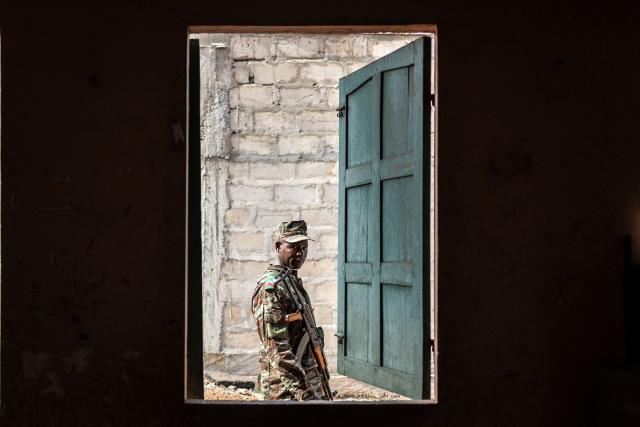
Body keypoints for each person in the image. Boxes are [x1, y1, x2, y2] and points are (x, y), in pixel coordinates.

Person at [251, 220, 328, 401]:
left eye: (304, 247)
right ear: (278, 247)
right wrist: (307, 395)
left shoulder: (290, 282)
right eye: (293, 247)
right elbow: (277, 348)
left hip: (307, 383)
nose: (300, 253)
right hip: (284, 391)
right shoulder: (271, 288)